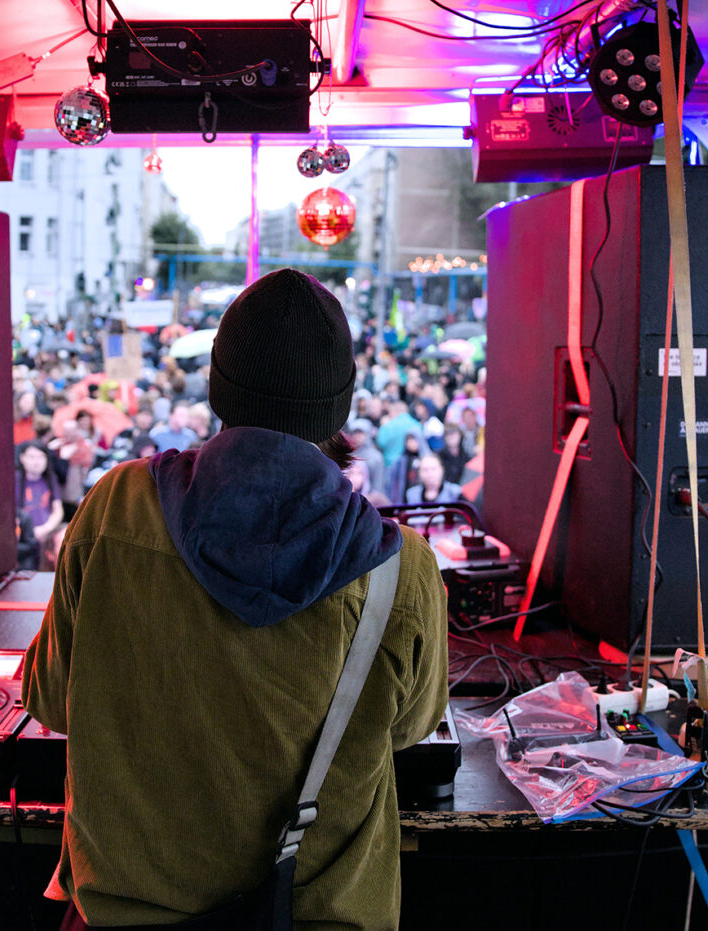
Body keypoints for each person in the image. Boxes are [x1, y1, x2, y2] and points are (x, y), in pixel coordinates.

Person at [23, 269, 449, 929]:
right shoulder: (402, 569)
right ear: (340, 407)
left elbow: (51, 698)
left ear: (218, 385)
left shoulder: (114, 508)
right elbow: (410, 729)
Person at [15, 441, 64, 571]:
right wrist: (30, 532)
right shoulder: (15, 479)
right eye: (32, 457)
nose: (36, 462)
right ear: (22, 458)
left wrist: (46, 528)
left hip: (46, 538)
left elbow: (57, 510)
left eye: (41, 457)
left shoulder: (50, 479)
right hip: (24, 542)